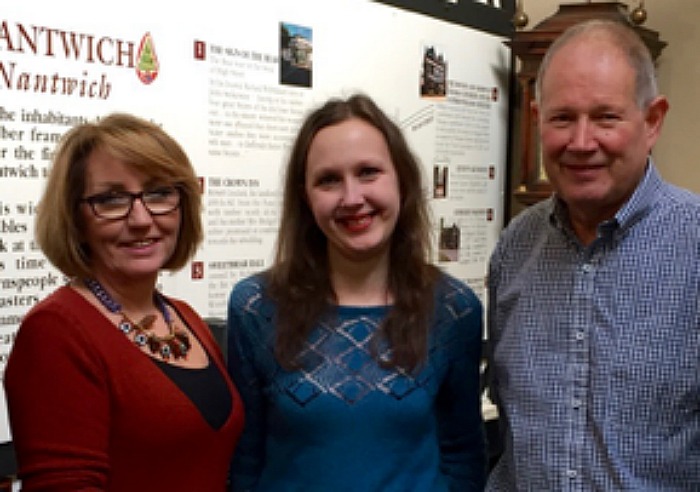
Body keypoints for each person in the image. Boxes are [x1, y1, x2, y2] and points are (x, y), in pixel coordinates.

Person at [227, 94, 486, 491]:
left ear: (401, 177)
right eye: (328, 179)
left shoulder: (452, 310)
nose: (351, 198)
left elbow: (463, 457)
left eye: (368, 172)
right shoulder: (257, 307)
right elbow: (245, 461)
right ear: (305, 195)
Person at [487, 19, 699, 490]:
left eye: (606, 117)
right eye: (563, 118)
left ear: (653, 121)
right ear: (539, 120)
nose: (581, 143)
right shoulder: (514, 249)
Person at [4, 113, 244, 490]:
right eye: (111, 199)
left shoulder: (185, 318)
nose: (141, 218)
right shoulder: (57, 333)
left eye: (159, 192)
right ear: (75, 219)